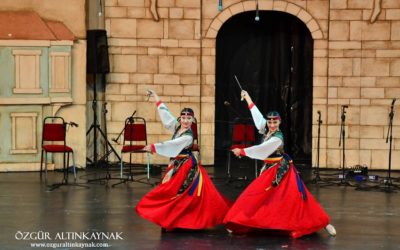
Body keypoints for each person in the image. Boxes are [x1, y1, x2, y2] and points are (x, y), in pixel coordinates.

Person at [223, 90, 336, 238]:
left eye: (274, 122)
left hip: (280, 170)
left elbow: (262, 150)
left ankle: (324, 223)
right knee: (258, 196)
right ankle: (240, 222)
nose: (271, 125)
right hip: (269, 168)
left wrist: (242, 151)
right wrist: (248, 98)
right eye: (269, 122)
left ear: (279, 122)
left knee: (298, 199)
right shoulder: (267, 130)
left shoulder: (277, 138)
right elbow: (258, 118)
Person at [136, 90, 231, 231]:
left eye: (189, 119)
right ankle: (171, 219)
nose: (186, 121)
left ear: (192, 120)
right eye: (183, 118)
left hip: (186, 166)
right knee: (171, 192)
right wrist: (156, 98)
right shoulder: (178, 126)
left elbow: (172, 145)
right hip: (175, 164)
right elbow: (166, 116)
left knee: (180, 193)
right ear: (180, 119)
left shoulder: (188, 136)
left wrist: (154, 147)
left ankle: (179, 220)